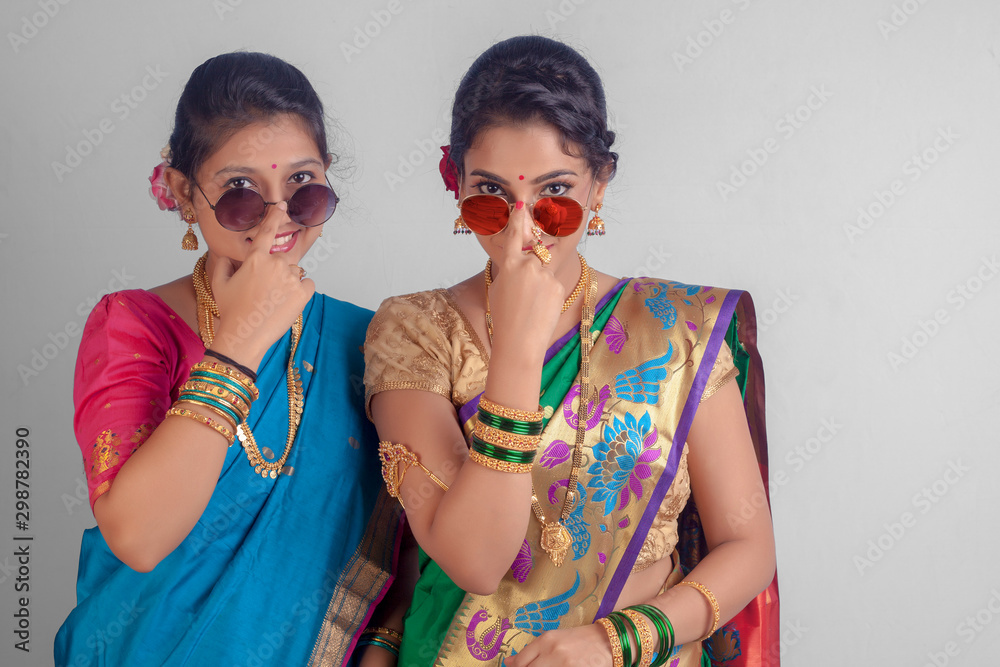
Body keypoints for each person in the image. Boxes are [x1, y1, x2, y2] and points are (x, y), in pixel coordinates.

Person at [363, 36, 779, 667]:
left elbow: (747, 545)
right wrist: (519, 356)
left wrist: (614, 643)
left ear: (600, 184)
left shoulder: (675, 328)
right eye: (490, 196)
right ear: (454, 184)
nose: (522, 230)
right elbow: (475, 562)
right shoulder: (416, 330)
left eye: (555, 196)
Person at [55, 52, 406, 667]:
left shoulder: (366, 339)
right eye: (240, 192)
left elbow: (400, 546)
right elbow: (137, 536)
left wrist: (379, 647)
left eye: (303, 185)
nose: (278, 217)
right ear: (184, 193)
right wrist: (241, 338)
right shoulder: (136, 326)